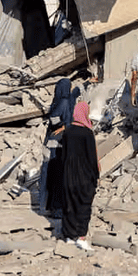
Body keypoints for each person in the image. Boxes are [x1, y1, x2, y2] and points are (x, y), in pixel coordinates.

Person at [61, 102, 100, 250]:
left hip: (68, 174)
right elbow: (92, 157)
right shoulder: (87, 133)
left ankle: (69, 235)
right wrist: (95, 175)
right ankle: (81, 236)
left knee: (69, 204)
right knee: (84, 204)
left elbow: (63, 155)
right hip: (84, 175)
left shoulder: (67, 131)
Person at [41, 78, 79, 217]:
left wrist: (87, 83)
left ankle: (51, 206)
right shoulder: (63, 102)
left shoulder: (60, 100)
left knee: (54, 176)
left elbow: (75, 94)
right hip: (57, 144)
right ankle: (56, 208)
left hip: (57, 142)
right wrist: (64, 126)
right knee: (58, 176)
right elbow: (54, 119)